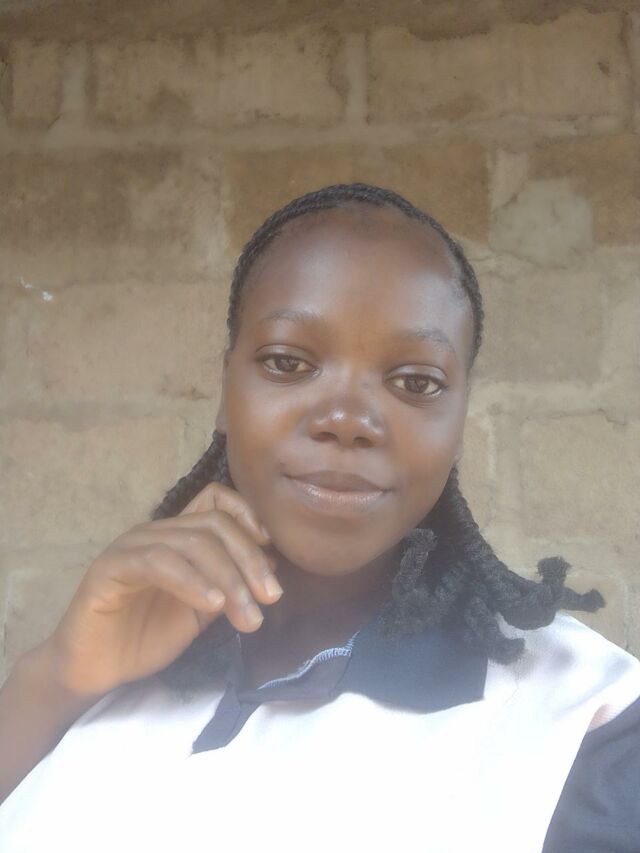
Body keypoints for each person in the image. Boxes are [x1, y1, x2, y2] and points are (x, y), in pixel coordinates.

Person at [0, 183, 638, 852]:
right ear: (225, 391)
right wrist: (57, 675)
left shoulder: (581, 719)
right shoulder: (117, 669)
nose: (346, 419)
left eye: (416, 381)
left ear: (459, 421)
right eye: (288, 362)